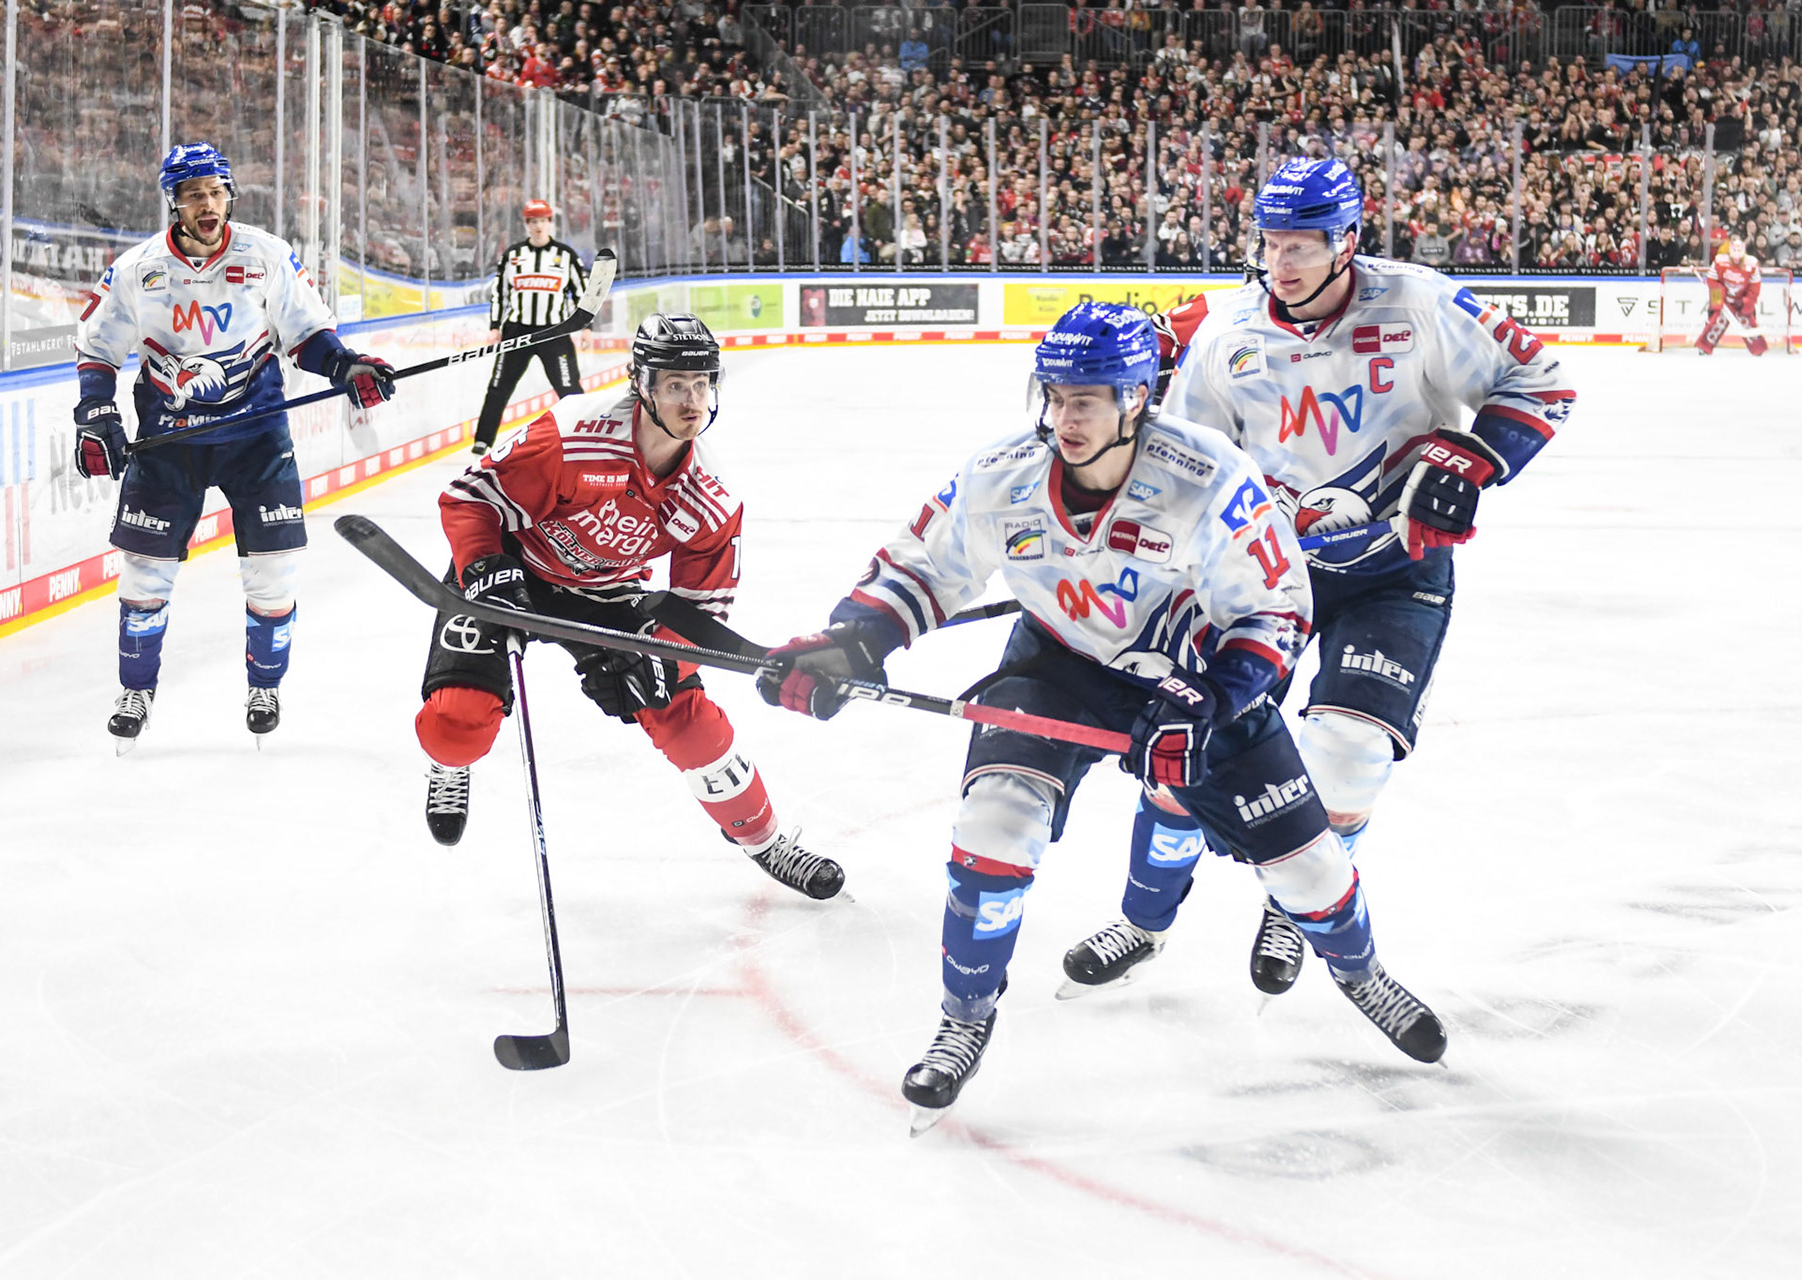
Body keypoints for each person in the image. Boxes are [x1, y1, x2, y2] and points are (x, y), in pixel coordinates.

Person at [759, 303, 1447, 1133]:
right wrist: (851, 643)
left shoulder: (1209, 476)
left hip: (1196, 680)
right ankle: (964, 1015)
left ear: (1137, 398)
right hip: (1058, 667)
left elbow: (1274, 612)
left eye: (1088, 398)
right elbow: (922, 569)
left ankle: (1361, 971)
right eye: (1055, 395)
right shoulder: (1001, 474)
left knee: (1308, 871)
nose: (1064, 417)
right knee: (996, 820)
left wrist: (1211, 699)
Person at [1078, 156, 1572, 1001]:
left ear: (1348, 240)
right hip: (1263, 576)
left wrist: (1476, 461)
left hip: (1394, 572)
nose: (1285, 261)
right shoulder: (1229, 336)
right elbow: (1187, 463)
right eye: (1272, 242)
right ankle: (1144, 920)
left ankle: (1297, 895)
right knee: (1182, 748)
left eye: (1304, 242)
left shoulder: (1420, 304)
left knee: (1350, 753)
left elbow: (1543, 379)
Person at [413, 313, 845, 901]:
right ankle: (449, 764)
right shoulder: (572, 434)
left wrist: (668, 662)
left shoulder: (711, 495)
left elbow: (702, 606)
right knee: (455, 723)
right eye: (675, 385)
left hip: (609, 594)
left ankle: (766, 840)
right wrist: (486, 566)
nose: (692, 401)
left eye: (702, 384)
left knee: (687, 723)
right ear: (642, 384)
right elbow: (471, 498)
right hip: (516, 568)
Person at [73, 142, 395, 751]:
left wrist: (346, 367)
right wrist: (94, 410)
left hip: (257, 437)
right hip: (170, 440)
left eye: (216, 192)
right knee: (144, 575)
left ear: (229, 197)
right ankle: (136, 690)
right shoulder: (138, 269)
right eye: (194, 194)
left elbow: (308, 335)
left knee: (272, 574)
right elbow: (98, 346)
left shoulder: (267, 255)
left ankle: (264, 685)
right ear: (174, 203)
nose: (208, 204)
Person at [475, 199, 586, 455]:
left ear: (550, 223)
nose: (538, 226)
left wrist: (586, 326)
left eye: (543, 220)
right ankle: (482, 441)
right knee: (498, 387)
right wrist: (495, 326)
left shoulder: (566, 256)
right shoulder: (512, 255)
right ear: (527, 224)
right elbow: (499, 294)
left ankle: (584, 432)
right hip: (517, 332)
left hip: (555, 332)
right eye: (533, 221)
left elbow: (581, 294)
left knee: (569, 388)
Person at [1696, 238, 1770, 355]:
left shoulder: (1751, 263)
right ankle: (1704, 347)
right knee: (1716, 322)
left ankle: (1758, 348)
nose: (1736, 260)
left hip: (1741, 300)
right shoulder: (1719, 261)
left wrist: (1748, 301)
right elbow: (1712, 281)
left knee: (1748, 322)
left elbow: (1755, 287)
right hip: (1723, 298)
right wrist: (1719, 298)